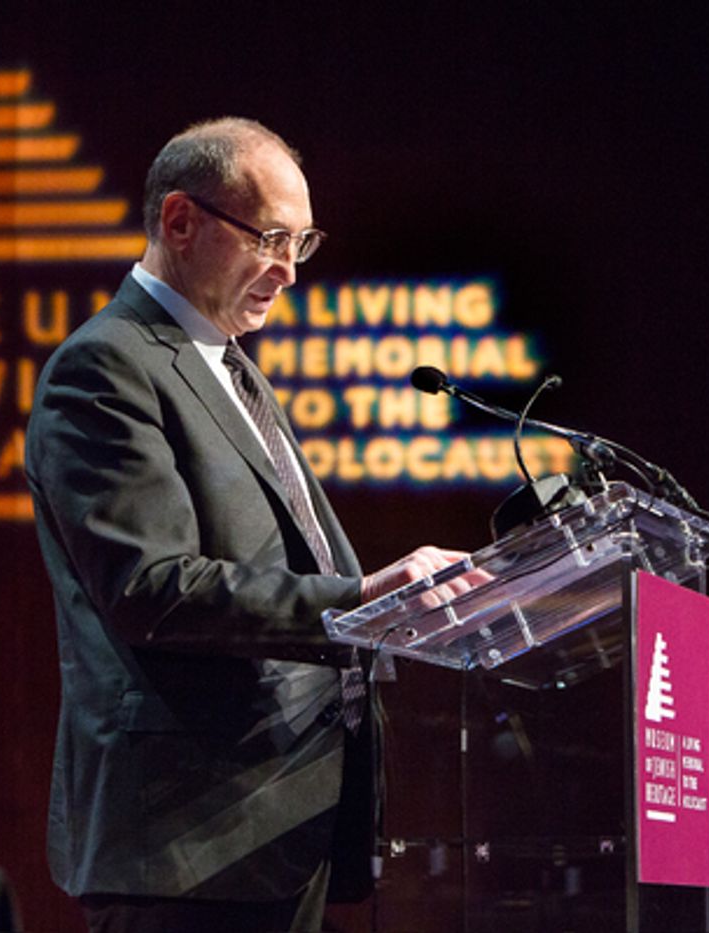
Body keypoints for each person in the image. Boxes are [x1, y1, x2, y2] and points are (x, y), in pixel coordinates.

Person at [25, 117, 469, 933]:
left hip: (276, 828)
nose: (289, 272)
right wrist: (358, 600)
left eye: (303, 243)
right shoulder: (105, 367)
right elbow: (150, 588)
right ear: (180, 221)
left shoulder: (232, 370)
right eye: (270, 238)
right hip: (184, 841)